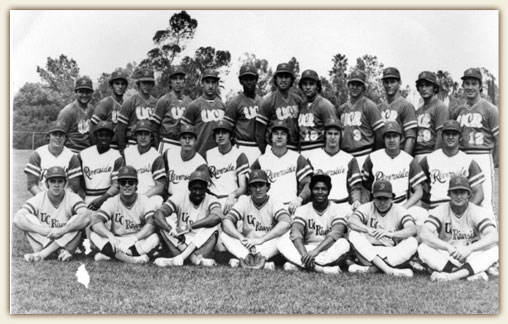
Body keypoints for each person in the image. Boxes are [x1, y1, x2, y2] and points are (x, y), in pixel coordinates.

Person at [418, 175, 498, 281]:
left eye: (462, 192)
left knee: (495, 250)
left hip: (470, 254)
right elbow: (424, 233)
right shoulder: (441, 210)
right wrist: (447, 247)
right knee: (423, 248)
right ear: (449, 194)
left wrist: (469, 249)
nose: (459, 196)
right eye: (455, 192)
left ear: (469, 194)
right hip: (449, 255)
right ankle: (467, 274)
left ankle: (451, 276)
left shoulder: (476, 211)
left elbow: (494, 236)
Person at [277, 172, 351, 274]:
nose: (320, 192)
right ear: (311, 190)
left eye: (324, 189)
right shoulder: (302, 209)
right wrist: (304, 254)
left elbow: (336, 234)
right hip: (306, 249)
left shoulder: (338, 209)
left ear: (329, 191)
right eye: (316, 189)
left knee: (344, 243)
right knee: (282, 241)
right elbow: (296, 234)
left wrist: (316, 251)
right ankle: (321, 269)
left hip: (328, 250)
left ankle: (299, 264)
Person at [13, 166, 91, 262]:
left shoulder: (72, 197)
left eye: (60, 181)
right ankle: (59, 251)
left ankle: (42, 255)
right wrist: (41, 230)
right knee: (27, 217)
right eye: (53, 181)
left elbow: (86, 217)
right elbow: (17, 218)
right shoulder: (39, 198)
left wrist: (62, 230)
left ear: (65, 183)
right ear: (47, 184)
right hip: (47, 241)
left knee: (78, 219)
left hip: (65, 241)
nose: (56, 185)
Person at [451, 68, 498, 218]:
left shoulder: (490, 109)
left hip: (482, 155)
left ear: (480, 86)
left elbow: (500, 140)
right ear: (463, 86)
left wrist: (494, 161)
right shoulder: (458, 111)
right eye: (467, 84)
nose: (470, 87)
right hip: (463, 157)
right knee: (464, 198)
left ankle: (491, 239)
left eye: (474, 83)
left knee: (484, 202)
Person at [221, 169, 290, 270]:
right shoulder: (244, 200)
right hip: (247, 244)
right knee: (224, 235)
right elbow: (226, 221)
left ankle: (250, 260)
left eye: (261, 185)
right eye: (254, 185)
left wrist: (262, 239)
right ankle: (252, 259)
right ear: (250, 188)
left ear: (267, 187)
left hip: (267, 243)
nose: (258, 189)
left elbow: (286, 223)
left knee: (286, 235)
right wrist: (240, 237)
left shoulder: (274, 201)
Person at [89, 165, 160, 264]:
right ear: (119, 185)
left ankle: (113, 255)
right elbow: (96, 223)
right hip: (117, 240)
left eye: (130, 182)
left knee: (154, 238)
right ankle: (133, 259)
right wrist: (110, 236)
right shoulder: (112, 201)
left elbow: (151, 225)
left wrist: (134, 238)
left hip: (136, 240)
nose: (127, 185)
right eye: (123, 182)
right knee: (94, 235)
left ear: (136, 184)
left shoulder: (145, 201)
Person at [347, 180, 418, 277]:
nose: (382, 202)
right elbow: (351, 221)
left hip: (391, 252)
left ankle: (371, 269)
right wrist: (367, 229)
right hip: (369, 251)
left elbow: (413, 229)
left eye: (386, 198)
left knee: (412, 242)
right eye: (379, 198)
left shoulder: (399, 209)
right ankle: (389, 270)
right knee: (354, 234)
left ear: (392, 198)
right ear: (373, 198)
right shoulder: (368, 207)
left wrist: (392, 234)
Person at [153, 169, 223, 267]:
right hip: (181, 240)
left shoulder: (211, 199)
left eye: (201, 189)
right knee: (165, 222)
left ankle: (180, 258)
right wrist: (172, 231)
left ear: (206, 188)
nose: (198, 192)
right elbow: (158, 214)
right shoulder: (180, 196)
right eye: (195, 188)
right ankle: (193, 259)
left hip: (201, 243)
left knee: (213, 226)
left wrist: (188, 227)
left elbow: (217, 217)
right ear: (189, 187)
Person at [419, 119, 485, 209]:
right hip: (436, 209)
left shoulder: (468, 161)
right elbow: (415, 186)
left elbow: (479, 193)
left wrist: (466, 211)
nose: (450, 137)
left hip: (459, 209)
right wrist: (427, 202)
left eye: (454, 134)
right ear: (442, 136)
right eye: (447, 134)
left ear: (460, 137)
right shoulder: (429, 159)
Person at [251, 119, 313, 214]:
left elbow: (308, 184)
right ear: (270, 137)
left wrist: (299, 199)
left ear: (288, 137)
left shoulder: (297, 158)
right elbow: (249, 186)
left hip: (291, 207)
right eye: (276, 133)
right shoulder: (261, 160)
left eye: (283, 134)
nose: (279, 136)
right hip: (267, 209)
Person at [361, 121, 426, 211]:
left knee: (421, 214)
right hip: (379, 206)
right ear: (384, 139)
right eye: (388, 136)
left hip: (402, 204)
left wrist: (404, 208)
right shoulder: (372, 158)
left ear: (401, 138)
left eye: (395, 136)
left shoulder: (408, 160)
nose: (391, 140)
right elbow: (365, 187)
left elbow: (419, 191)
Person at [307, 118, 362, 210]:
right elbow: (307, 186)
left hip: (342, 204)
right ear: (324, 135)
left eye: (336, 134)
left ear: (341, 135)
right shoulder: (312, 158)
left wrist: (356, 200)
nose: (333, 137)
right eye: (330, 133)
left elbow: (355, 187)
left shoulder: (349, 159)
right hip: (319, 206)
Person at [337, 70, 385, 169]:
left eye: (358, 85)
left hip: (364, 153)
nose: (355, 87)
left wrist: (374, 156)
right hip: (345, 155)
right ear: (348, 86)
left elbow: (380, 135)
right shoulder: (342, 108)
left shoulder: (369, 106)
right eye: (352, 84)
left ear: (364, 87)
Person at [24, 121, 82, 196]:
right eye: (54, 134)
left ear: (65, 138)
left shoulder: (72, 157)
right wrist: (44, 200)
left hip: (64, 199)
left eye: (61, 135)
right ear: (49, 136)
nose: (58, 137)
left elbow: (74, 185)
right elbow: (31, 184)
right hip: (41, 197)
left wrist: (63, 200)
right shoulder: (38, 154)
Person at [256, 62, 304, 153]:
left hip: (293, 148)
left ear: (291, 79)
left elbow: (302, 127)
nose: (283, 80)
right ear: (276, 79)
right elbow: (259, 133)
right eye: (280, 76)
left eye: (286, 77)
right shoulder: (268, 101)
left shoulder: (298, 100)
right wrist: (265, 152)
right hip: (274, 148)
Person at [77, 121, 124, 210]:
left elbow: (116, 185)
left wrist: (102, 199)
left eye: (107, 135)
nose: (104, 138)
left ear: (112, 137)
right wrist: (81, 197)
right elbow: (77, 181)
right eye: (101, 135)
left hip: (109, 200)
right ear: (95, 136)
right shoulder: (83, 155)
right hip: (87, 199)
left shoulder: (117, 157)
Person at [205, 120, 249, 213]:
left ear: (231, 136)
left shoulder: (239, 155)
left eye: (224, 132)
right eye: (217, 133)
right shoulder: (208, 154)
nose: (220, 135)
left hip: (232, 199)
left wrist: (232, 195)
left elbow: (243, 187)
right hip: (213, 200)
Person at [224, 64, 263, 163]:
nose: (249, 81)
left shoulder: (262, 101)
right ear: (240, 81)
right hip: (241, 146)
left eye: (252, 78)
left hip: (259, 146)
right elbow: (227, 129)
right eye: (245, 79)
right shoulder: (235, 102)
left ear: (256, 79)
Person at [181, 69, 226, 156]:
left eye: (213, 82)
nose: (210, 86)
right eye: (207, 82)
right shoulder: (193, 106)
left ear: (217, 84)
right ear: (202, 83)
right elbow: (185, 133)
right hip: (199, 154)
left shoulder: (223, 106)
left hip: (219, 154)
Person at [123, 120, 167, 207]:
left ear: (151, 136)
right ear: (136, 135)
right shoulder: (127, 152)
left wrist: (141, 198)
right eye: (140, 134)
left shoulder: (156, 156)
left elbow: (160, 187)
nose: (143, 137)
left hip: (149, 196)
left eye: (146, 134)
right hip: (129, 194)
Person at [150, 65, 192, 154]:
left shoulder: (190, 103)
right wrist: (157, 147)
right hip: (167, 141)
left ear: (184, 82)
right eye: (175, 79)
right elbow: (154, 128)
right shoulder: (164, 100)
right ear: (170, 82)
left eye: (180, 78)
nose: (178, 82)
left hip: (184, 143)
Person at [297, 69, 337, 158]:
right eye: (305, 84)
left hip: (319, 149)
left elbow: (334, 132)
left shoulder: (325, 105)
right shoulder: (301, 105)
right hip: (303, 150)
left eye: (311, 84)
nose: (307, 87)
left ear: (317, 86)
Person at [378, 67, 417, 154]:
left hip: (400, 153)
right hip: (383, 156)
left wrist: (404, 160)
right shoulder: (379, 108)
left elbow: (411, 138)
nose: (389, 85)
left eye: (392, 81)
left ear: (399, 83)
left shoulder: (406, 106)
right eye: (386, 82)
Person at [117, 67, 157, 151]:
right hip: (133, 143)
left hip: (151, 144)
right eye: (144, 82)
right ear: (138, 83)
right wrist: (122, 150)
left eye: (149, 83)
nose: (147, 86)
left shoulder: (157, 103)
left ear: (153, 84)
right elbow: (121, 129)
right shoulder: (130, 102)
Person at [414, 71, 449, 160]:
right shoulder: (418, 110)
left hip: (431, 153)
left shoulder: (440, 107)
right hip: (418, 153)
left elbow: (441, 135)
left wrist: (435, 158)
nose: (424, 89)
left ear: (434, 88)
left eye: (427, 85)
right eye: (421, 86)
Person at [90, 69, 129, 149]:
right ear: (111, 86)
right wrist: (96, 149)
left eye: (123, 84)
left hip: (123, 147)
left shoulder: (127, 104)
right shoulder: (105, 103)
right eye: (117, 83)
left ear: (126, 87)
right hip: (107, 146)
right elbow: (93, 129)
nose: (120, 86)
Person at [164, 124, 207, 197]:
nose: (187, 141)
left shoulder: (201, 164)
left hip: (189, 201)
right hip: (169, 197)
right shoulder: (169, 153)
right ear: (179, 140)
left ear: (195, 140)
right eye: (184, 138)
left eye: (190, 138)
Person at [57, 76, 95, 153]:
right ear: (76, 92)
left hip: (88, 152)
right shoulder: (67, 111)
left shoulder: (92, 109)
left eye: (87, 92)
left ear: (91, 93)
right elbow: (58, 136)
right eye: (81, 92)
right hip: (72, 151)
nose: (84, 95)